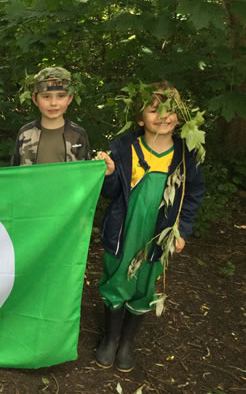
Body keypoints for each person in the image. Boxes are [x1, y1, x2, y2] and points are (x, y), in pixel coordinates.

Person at [94, 82, 204, 372]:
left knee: (145, 284)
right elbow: (111, 192)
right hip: (124, 232)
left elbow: (192, 193)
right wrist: (108, 173)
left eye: (170, 111)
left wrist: (183, 229)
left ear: (179, 117)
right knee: (117, 277)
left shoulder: (185, 154)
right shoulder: (124, 148)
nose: (163, 116)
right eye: (155, 110)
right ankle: (110, 338)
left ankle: (127, 343)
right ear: (141, 118)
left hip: (157, 235)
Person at [11, 66, 91, 165]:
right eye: (46, 96)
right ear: (35, 99)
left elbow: (87, 174)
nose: (53, 103)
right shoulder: (25, 133)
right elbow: (15, 173)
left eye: (61, 96)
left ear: (70, 98)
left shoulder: (78, 134)